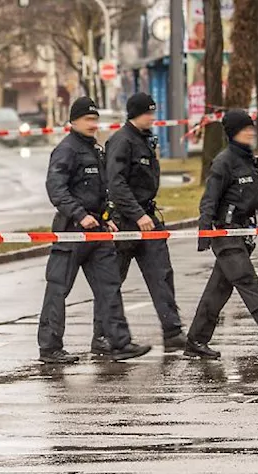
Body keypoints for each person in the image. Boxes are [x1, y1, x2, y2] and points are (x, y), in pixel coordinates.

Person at [37, 96, 151, 365]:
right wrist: (80, 215)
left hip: (97, 233)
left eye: (95, 119)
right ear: (73, 121)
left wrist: (104, 216)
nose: (93, 124)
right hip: (72, 233)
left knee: (110, 287)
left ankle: (118, 343)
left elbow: (100, 190)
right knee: (58, 289)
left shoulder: (94, 150)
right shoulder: (66, 150)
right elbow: (56, 189)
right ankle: (50, 348)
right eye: (88, 119)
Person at [185, 110, 258, 360]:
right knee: (250, 284)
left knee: (217, 291)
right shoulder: (223, 162)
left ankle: (196, 340)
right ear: (233, 133)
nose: (251, 132)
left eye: (251, 128)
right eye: (245, 129)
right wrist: (204, 232)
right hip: (226, 235)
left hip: (242, 234)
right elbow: (209, 200)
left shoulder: (250, 161)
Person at [91, 92, 185, 355]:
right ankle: (101, 337)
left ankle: (173, 332)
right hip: (126, 222)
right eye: (148, 113)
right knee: (112, 282)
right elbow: (116, 184)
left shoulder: (143, 139)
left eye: (154, 112)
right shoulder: (122, 141)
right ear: (135, 114)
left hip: (146, 218)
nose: (152, 118)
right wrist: (137, 214)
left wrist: (146, 215)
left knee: (162, 274)